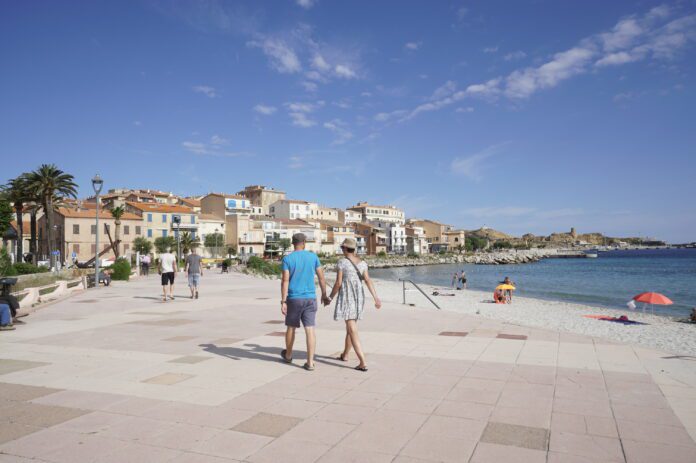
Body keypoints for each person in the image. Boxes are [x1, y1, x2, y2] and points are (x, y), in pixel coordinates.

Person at [326, 238, 381, 372]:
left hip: (347, 297)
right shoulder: (362, 263)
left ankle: (362, 362)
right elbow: (367, 280)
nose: (341, 249)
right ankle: (345, 354)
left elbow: (338, 283)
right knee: (350, 328)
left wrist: (330, 297)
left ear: (345, 248)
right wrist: (376, 298)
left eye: (342, 247)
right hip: (358, 298)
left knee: (352, 329)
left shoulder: (342, 262)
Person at [280, 233, 329, 371]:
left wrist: (283, 301)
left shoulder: (287, 259)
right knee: (310, 329)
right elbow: (321, 277)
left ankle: (288, 355)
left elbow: (285, 280)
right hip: (310, 298)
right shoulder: (313, 257)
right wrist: (324, 295)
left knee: (291, 327)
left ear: (292, 243)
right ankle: (310, 362)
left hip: (294, 298)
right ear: (304, 242)